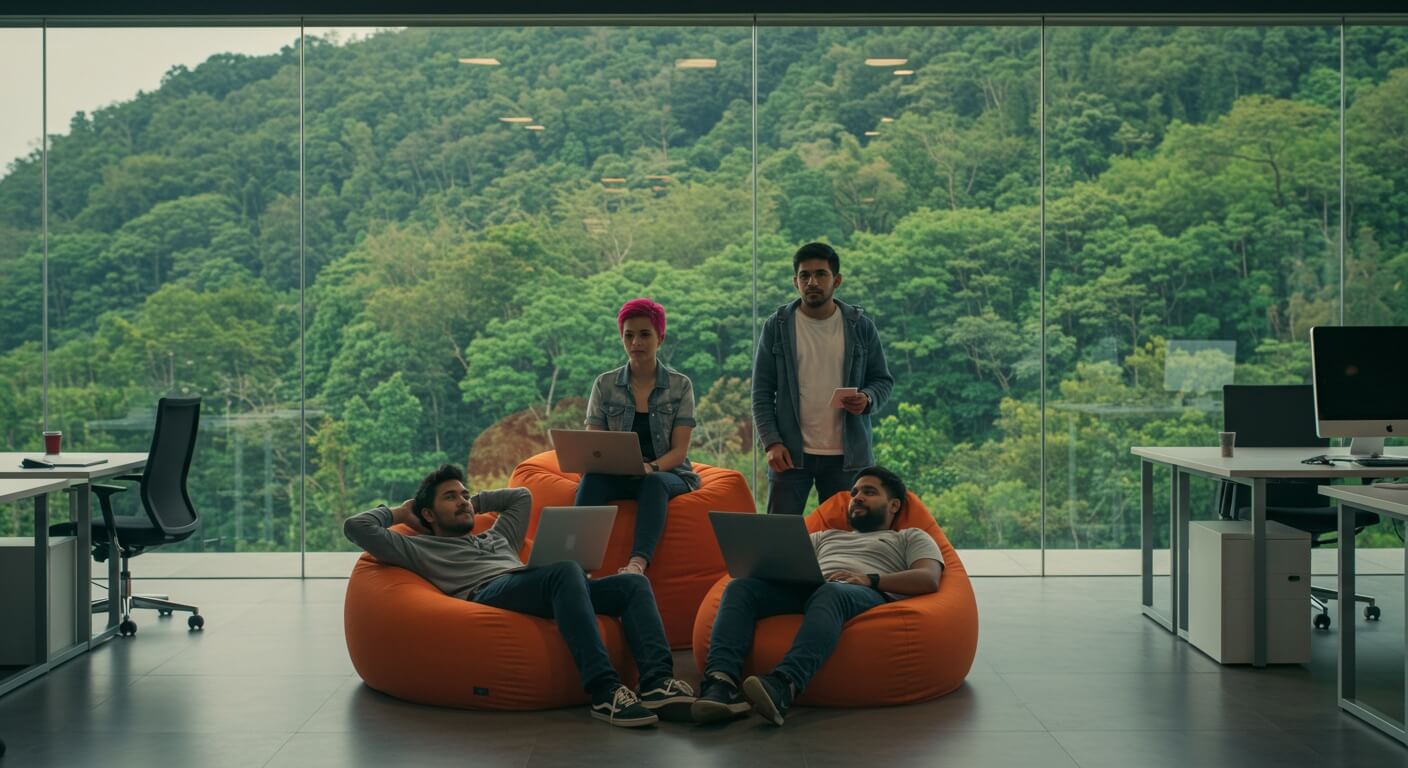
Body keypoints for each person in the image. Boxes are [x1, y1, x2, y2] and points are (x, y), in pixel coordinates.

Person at [343, 464, 695, 728]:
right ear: (428, 514)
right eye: (451, 497)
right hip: (489, 594)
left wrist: (475, 503)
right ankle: (604, 693)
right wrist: (402, 513)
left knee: (632, 584)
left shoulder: (496, 538)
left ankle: (656, 683)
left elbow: (521, 496)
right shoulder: (418, 547)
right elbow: (356, 527)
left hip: (535, 587)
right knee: (566, 569)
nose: (463, 502)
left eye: (465, 495)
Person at [692, 466, 942, 727]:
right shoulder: (825, 536)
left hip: (862, 592)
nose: (857, 497)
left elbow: (928, 578)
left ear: (893, 505)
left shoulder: (910, 536)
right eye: (854, 492)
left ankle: (784, 684)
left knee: (831, 591)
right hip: (811, 588)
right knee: (739, 588)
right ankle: (721, 684)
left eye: (869, 492)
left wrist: (870, 579)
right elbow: (787, 562)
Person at [752, 242, 895, 516]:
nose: (812, 282)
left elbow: (882, 380)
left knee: (843, 538)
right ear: (795, 281)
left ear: (836, 280)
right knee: (780, 536)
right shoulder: (777, 326)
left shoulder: (860, 325)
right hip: (790, 454)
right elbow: (761, 391)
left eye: (821, 274)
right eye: (804, 276)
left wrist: (867, 398)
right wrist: (771, 441)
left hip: (848, 456)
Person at [575, 298, 700, 576]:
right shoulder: (604, 384)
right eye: (628, 335)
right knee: (592, 479)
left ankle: (637, 564)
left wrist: (649, 467)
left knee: (653, 483)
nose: (636, 343)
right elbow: (595, 442)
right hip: (618, 473)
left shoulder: (680, 386)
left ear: (660, 338)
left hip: (667, 473)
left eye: (645, 334)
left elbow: (679, 452)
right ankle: (578, 565)